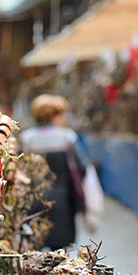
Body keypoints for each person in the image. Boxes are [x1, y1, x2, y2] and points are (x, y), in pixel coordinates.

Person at [19, 94, 94, 251]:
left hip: (35, 201)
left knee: (34, 250)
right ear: (54, 116)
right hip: (63, 202)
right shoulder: (67, 137)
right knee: (61, 254)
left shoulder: (27, 138)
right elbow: (82, 168)